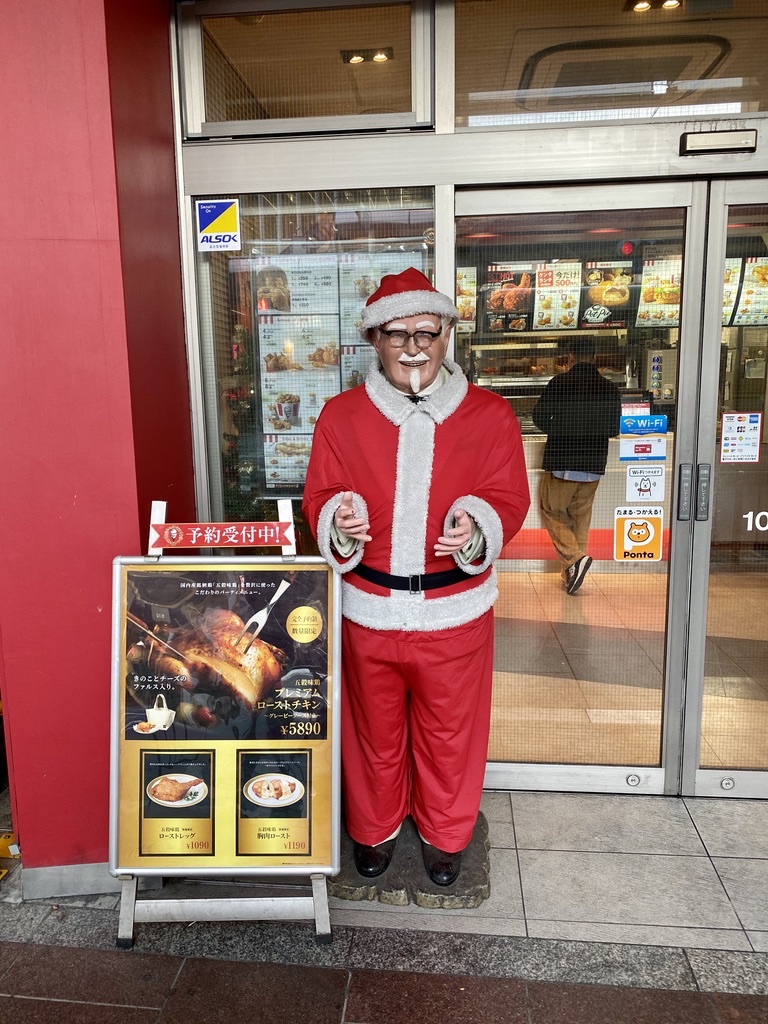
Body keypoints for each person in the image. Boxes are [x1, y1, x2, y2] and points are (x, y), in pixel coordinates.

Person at [302, 268, 529, 887]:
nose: (412, 348)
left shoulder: (490, 415)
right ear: (373, 340)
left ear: (447, 333)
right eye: (396, 334)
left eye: (425, 332)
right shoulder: (341, 416)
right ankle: (373, 829)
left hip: (455, 614)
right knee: (372, 733)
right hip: (368, 609)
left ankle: (445, 835)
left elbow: (509, 496)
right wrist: (337, 517)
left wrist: (478, 524)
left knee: (451, 734)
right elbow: (319, 492)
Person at [532, 336, 621, 595]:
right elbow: (613, 429)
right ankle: (571, 575)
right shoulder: (609, 388)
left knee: (552, 511)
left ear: (570, 357)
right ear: (594, 358)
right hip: (593, 465)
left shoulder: (560, 382)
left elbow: (539, 417)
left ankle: (574, 559)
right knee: (580, 520)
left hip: (563, 461)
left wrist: (560, 429)